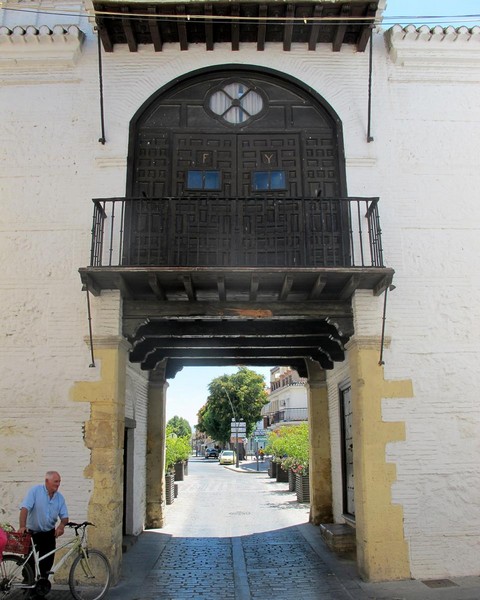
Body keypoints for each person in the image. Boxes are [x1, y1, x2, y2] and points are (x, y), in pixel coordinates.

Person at [18, 471, 69, 579]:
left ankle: (41, 589)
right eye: (56, 481)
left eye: (59, 481)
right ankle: (27, 587)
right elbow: (25, 508)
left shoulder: (59, 498)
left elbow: (64, 517)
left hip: (49, 534)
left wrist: (61, 526)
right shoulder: (35, 491)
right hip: (32, 533)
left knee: (46, 564)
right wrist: (22, 526)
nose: (58, 484)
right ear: (47, 481)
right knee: (29, 563)